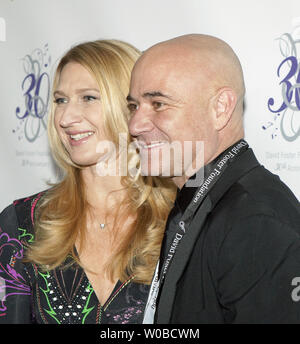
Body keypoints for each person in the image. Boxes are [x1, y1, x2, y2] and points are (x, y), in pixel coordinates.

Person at [127, 34, 300, 324]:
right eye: (133, 106)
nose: (134, 125)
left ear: (220, 108)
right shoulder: (198, 198)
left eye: (158, 103)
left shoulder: (256, 221)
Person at [0, 39, 175, 324]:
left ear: (133, 107)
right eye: (60, 100)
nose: (66, 118)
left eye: (89, 98)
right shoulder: (22, 224)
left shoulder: (180, 221)